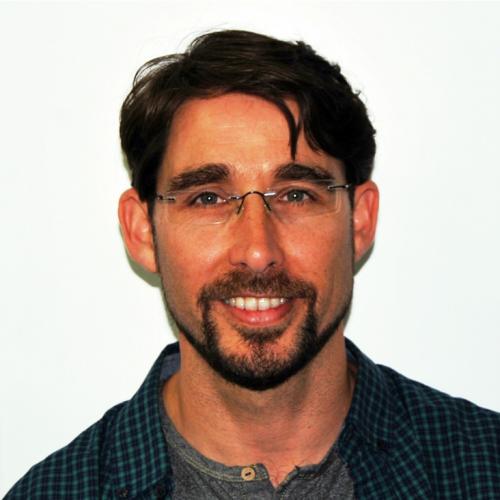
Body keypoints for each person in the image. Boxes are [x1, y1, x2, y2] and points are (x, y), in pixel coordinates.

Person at [6, 29, 500, 499]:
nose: (258, 250)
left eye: (297, 194)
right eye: (207, 198)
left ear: (359, 221)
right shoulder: (54, 492)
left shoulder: (486, 468)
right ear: (142, 231)